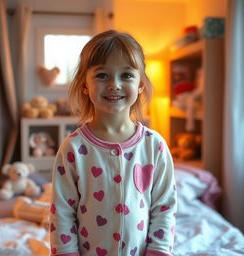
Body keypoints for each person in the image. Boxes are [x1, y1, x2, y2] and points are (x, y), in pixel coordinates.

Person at [50, 30, 177, 256]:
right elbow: (62, 211)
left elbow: (164, 207)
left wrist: (158, 250)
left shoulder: (154, 146)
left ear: (141, 86)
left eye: (126, 75)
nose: (114, 84)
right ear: (85, 86)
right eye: (102, 75)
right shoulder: (73, 148)